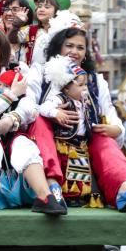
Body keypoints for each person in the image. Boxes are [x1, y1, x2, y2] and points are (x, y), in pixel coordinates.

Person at [27, 27, 126, 211]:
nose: (74, 51)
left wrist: (117, 129)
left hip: (84, 142)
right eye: (69, 46)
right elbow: (28, 106)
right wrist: (53, 113)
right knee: (38, 122)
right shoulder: (40, 73)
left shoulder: (96, 81)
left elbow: (110, 112)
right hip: (48, 144)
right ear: (58, 48)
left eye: (80, 48)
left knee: (103, 136)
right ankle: (51, 187)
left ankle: (124, 189)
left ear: (85, 54)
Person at [0, 24, 66, 218]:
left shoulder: (19, 69)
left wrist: (11, 118)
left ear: (2, 46)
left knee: (24, 146)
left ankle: (45, 197)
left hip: (14, 131)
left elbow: (30, 106)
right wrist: (10, 96)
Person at [41, 54, 101, 205]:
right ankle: (66, 195)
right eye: (81, 85)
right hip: (65, 144)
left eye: (86, 85)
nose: (85, 88)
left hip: (81, 143)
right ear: (66, 87)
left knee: (81, 171)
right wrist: (56, 112)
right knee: (66, 170)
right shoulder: (60, 99)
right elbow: (44, 107)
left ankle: (78, 195)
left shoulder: (85, 103)